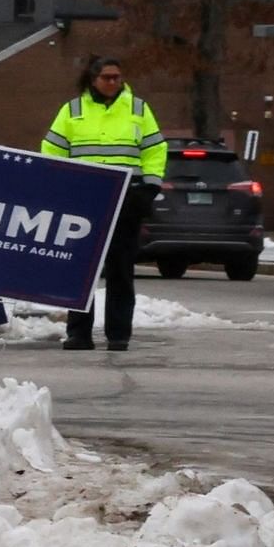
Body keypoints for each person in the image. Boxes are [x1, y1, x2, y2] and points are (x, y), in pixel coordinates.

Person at [38, 56, 166, 350]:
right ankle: (79, 334)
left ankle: (119, 335)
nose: (113, 82)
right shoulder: (72, 110)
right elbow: (52, 150)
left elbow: (155, 150)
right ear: (92, 79)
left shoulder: (138, 109)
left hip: (126, 197)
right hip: (84, 198)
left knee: (121, 269)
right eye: (107, 77)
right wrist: (59, 189)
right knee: (81, 270)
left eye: (117, 77)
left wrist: (149, 188)